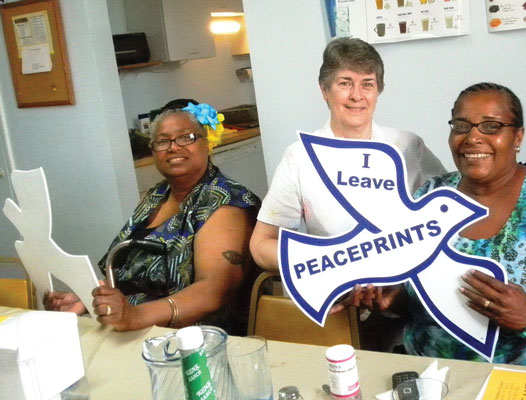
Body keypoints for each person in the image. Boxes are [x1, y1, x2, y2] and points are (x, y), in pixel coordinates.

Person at [357, 82, 526, 372]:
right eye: (462, 125)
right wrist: (391, 299)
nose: (473, 137)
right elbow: (412, 294)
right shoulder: (428, 198)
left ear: (518, 137)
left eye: (491, 126)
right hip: (441, 376)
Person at [249, 37, 446, 351]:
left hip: (412, 308)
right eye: (345, 83)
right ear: (324, 89)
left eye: (367, 84)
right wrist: (330, 270)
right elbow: (261, 246)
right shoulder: (300, 157)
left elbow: (447, 226)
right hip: (341, 316)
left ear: (379, 90)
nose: (357, 96)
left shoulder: (408, 147)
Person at [45, 102, 261, 333]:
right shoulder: (155, 196)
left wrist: (136, 316)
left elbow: (212, 291)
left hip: (195, 338)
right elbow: (133, 268)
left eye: (186, 137)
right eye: (162, 141)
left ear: (207, 142)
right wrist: (90, 300)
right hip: (136, 329)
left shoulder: (227, 203)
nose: (173, 147)